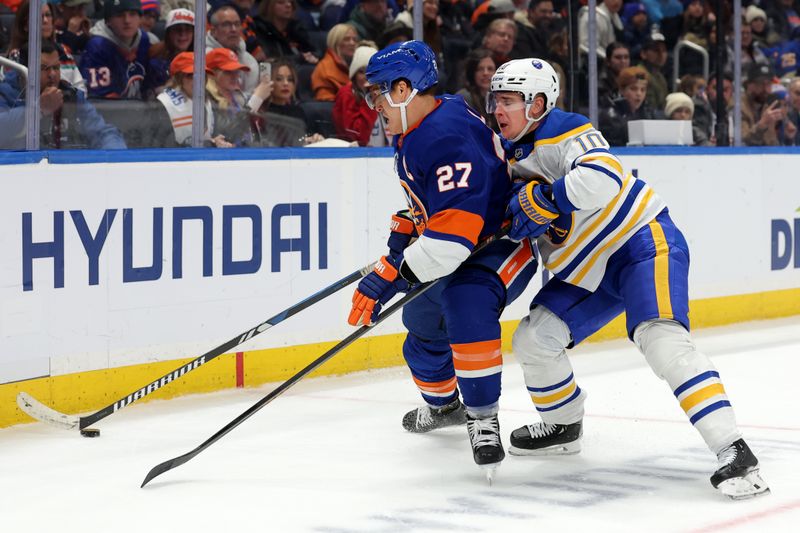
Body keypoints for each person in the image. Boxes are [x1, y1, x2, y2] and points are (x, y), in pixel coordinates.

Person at [488, 57, 769, 499]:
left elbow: (605, 178)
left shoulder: (565, 129)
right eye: (495, 100)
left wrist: (547, 196)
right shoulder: (506, 152)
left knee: (662, 340)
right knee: (534, 340)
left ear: (539, 103)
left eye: (509, 101)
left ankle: (734, 450)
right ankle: (563, 425)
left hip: (640, 243)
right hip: (586, 271)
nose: (498, 110)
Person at [348, 40, 537, 480]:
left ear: (402, 89)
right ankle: (446, 407)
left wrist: (389, 275)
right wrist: (410, 227)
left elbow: (453, 240)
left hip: (498, 244)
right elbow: (444, 205)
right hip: (460, 242)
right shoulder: (431, 118)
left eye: (376, 93)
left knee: (465, 304)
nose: (374, 104)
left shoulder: (443, 135)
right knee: (419, 323)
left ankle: (483, 417)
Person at [0, 40, 126, 149]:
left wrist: (116, 154)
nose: (52, 75)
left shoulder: (71, 95)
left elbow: (103, 132)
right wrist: (38, 110)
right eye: (44, 68)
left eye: (56, 68)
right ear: (23, 72)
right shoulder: (5, 93)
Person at [80, 0, 155, 100]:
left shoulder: (144, 39)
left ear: (140, 19)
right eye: (120, 15)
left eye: (132, 14)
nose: (127, 21)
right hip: (111, 112)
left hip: (139, 110)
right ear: (108, 21)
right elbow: (100, 100)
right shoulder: (98, 46)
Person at [153, 51, 230, 147]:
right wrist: (208, 144)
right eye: (190, 75)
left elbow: (214, 135)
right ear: (178, 79)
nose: (198, 80)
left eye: (202, 74)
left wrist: (218, 142)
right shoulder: (163, 104)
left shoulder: (208, 101)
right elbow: (163, 146)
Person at [7, 0, 85, 93]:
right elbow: (12, 96)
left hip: (68, 106)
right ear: (25, 25)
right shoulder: (16, 56)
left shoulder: (63, 50)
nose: (45, 20)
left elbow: (81, 88)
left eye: (48, 15)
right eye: (39, 16)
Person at [255, 58, 324, 145]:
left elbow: (302, 138)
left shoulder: (298, 111)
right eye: (279, 79)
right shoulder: (261, 112)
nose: (286, 83)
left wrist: (313, 139)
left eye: (290, 79)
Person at [332, 44, 387, 145]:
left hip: (384, 155)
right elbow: (358, 137)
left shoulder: (385, 94)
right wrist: (370, 101)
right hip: (356, 157)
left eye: (372, 72)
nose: (367, 77)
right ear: (354, 75)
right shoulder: (346, 94)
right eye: (361, 72)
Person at [599, 65, 661, 146]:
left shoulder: (649, 113)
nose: (639, 94)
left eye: (643, 90)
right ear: (621, 90)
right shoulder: (610, 116)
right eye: (633, 89)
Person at [206, 3, 259, 93]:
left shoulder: (250, 61)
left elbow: (249, 97)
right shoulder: (203, 58)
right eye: (226, 24)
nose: (233, 29)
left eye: (237, 24)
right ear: (214, 31)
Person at [251, 0, 318, 65]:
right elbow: (271, 59)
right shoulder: (260, 29)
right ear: (269, 6)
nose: (288, 5)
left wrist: (310, 56)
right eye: (281, 2)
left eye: (290, 2)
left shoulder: (296, 28)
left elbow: (315, 52)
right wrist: (300, 58)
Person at [149, 8, 195, 92]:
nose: (182, 34)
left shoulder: (202, 61)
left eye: (188, 29)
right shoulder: (155, 65)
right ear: (168, 34)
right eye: (177, 29)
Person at [311, 23, 358, 101]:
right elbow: (325, 102)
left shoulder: (357, 67)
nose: (352, 43)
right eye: (346, 39)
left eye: (354, 39)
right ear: (335, 42)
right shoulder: (324, 69)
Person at [456, 48, 499, 132]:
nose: (485, 73)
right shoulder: (463, 98)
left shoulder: (499, 97)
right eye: (480, 69)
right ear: (472, 73)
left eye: (490, 69)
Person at [638, 32, 668, 110]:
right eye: (656, 50)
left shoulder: (660, 77)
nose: (661, 54)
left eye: (664, 50)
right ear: (643, 54)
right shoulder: (639, 74)